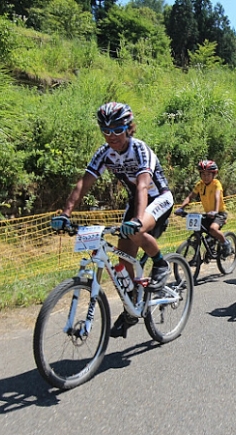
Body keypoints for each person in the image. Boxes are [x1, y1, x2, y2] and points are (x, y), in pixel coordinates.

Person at [50, 102, 174, 338]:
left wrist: (137, 220)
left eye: (117, 130)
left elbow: (142, 185)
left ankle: (160, 263)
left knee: (135, 231)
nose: (111, 136)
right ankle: (132, 306)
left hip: (158, 199)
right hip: (136, 202)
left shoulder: (140, 150)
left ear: (129, 128)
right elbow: (83, 183)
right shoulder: (104, 153)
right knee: (122, 260)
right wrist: (66, 213)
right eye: (106, 131)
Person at [174, 160, 233, 257]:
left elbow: (217, 197)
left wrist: (215, 211)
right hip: (208, 214)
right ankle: (206, 249)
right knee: (200, 230)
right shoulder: (199, 185)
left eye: (208, 174)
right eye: (203, 174)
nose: (205, 177)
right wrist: (181, 208)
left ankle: (226, 244)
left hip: (219, 213)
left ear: (213, 175)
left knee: (213, 229)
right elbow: (190, 197)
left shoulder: (216, 184)